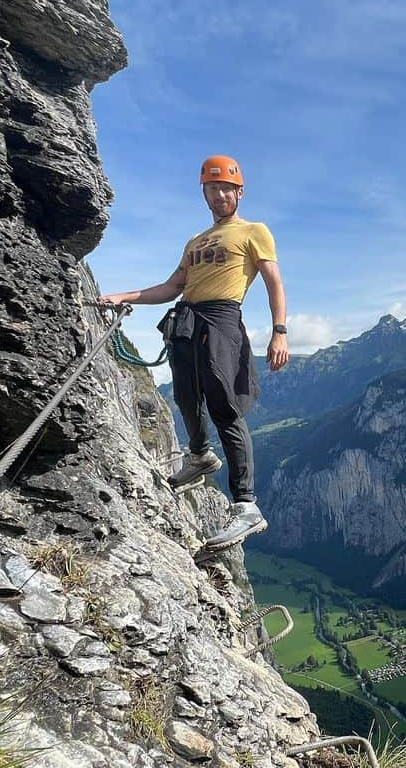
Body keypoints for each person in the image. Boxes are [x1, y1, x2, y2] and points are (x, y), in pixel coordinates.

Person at [100, 155, 288, 555]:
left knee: (223, 406)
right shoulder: (195, 242)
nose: (219, 195)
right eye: (212, 188)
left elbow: (273, 280)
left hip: (221, 319)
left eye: (226, 188)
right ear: (203, 193)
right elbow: (171, 287)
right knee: (185, 394)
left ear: (239, 192)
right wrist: (123, 296)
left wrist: (279, 332)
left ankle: (246, 503)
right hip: (186, 319)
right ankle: (200, 456)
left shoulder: (254, 231)